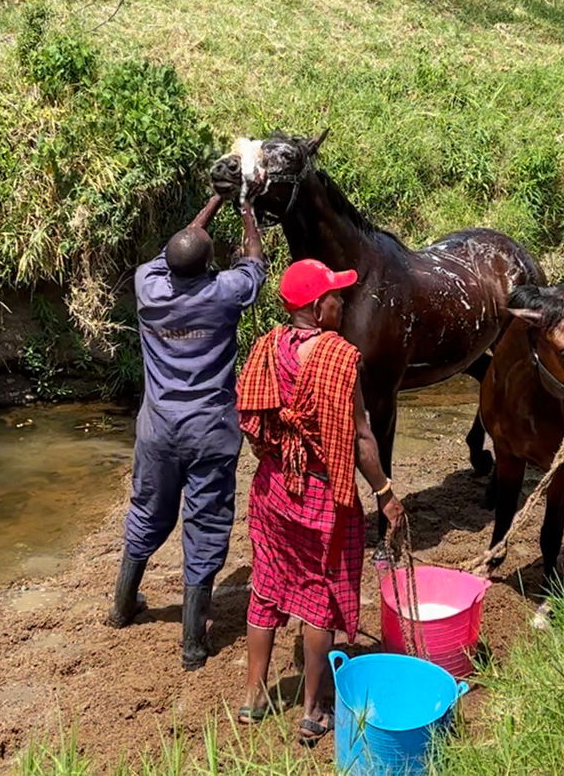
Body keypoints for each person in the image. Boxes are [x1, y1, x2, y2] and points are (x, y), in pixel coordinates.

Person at [233, 259, 408, 745]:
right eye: (335, 297)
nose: (342, 303)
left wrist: (280, 455)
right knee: (319, 598)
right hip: (320, 496)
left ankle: (253, 698)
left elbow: (252, 420)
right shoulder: (340, 358)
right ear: (316, 307)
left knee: (266, 587)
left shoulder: (267, 348)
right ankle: (313, 710)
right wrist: (385, 493)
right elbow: (361, 439)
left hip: (272, 489)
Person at [109, 194, 265, 671]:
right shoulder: (225, 292)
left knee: (147, 511)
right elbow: (255, 262)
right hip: (210, 429)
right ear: (210, 264)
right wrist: (244, 208)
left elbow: (177, 249)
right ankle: (193, 645)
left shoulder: (148, 284)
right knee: (206, 524)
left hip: (157, 428)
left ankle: (122, 607)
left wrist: (212, 200)